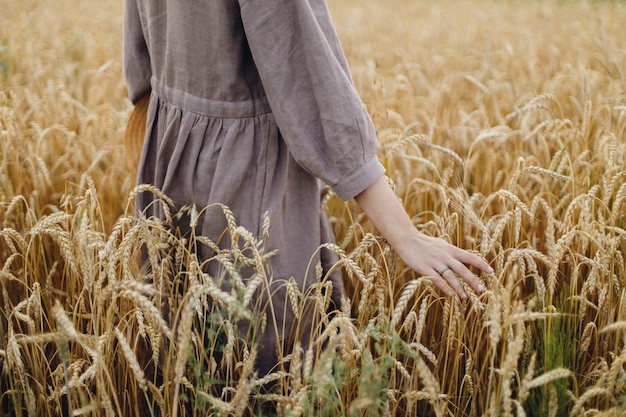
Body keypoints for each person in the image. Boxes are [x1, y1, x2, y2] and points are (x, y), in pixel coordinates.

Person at [123, 0, 493, 376]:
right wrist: (406, 235)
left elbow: (140, 63)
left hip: (167, 163)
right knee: (265, 367)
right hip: (248, 181)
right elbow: (315, 89)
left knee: (179, 361)